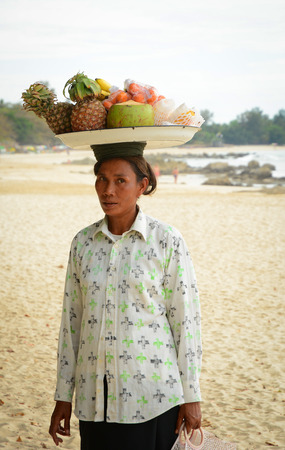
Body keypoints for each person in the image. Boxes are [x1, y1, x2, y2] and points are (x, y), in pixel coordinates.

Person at [49, 142, 202, 450]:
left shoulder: (167, 240)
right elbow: (71, 324)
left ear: (142, 185)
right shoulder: (83, 243)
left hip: (152, 397)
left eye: (120, 181)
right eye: (102, 179)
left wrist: (192, 396)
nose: (108, 190)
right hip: (94, 402)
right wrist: (63, 395)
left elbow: (186, 320)